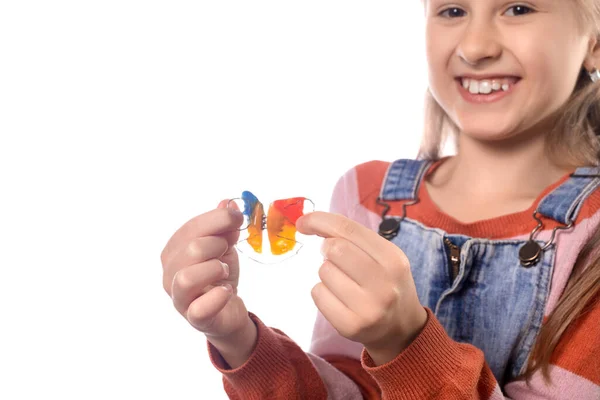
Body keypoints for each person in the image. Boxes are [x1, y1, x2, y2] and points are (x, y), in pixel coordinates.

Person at [160, 1, 600, 398]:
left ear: (594, 42)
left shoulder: (592, 232)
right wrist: (239, 340)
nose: (476, 46)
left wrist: (404, 344)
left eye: (519, 8)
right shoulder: (366, 197)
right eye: (451, 11)